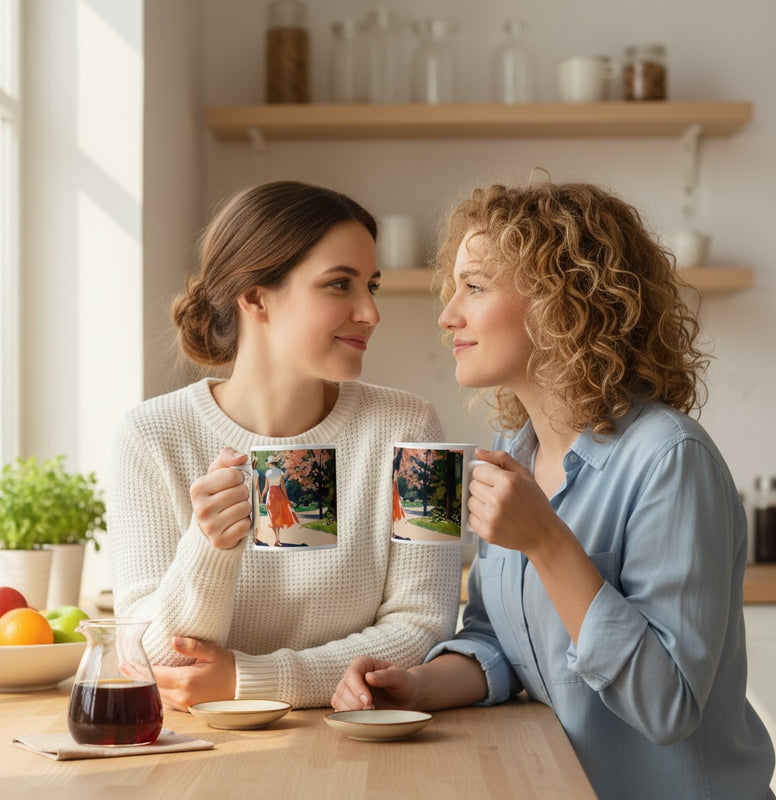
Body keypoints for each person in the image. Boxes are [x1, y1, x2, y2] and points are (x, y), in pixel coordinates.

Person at [332, 181, 775, 799]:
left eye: (475, 286)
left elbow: (667, 706)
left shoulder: (670, 459)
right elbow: (499, 641)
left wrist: (546, 541)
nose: (447, 314)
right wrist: (417, 685)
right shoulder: (518, 454)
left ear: (560, 299)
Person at [107, 180, 461, 712]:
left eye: (372, 285)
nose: (370, 312)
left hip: (369, 745)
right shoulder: (146, 436)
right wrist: (209, 549)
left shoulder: (416, 430)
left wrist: (254, 679)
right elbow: (151, 660)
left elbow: (426, 627)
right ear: (254, 297)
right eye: (340, 284)